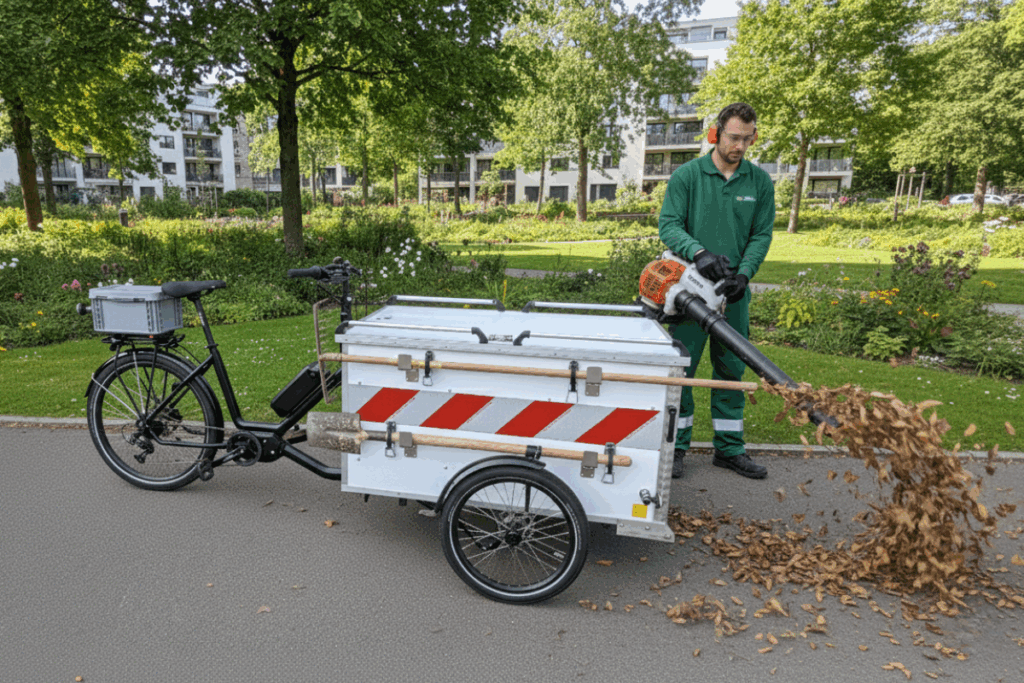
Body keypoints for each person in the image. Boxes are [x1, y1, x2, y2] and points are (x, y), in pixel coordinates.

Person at [657, 102, 775, 480]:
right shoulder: (688, 177)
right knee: (683, 370)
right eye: (733, 137)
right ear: (716, 134)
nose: (740, 146)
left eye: (747, 138)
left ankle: (729, 450)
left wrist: (743, 275)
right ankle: (675, 448)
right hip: (688, 293)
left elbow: (761, 235)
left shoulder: (759, 183)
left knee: (731, 371)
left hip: (732, 296)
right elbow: (669, 226)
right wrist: (699, 253)